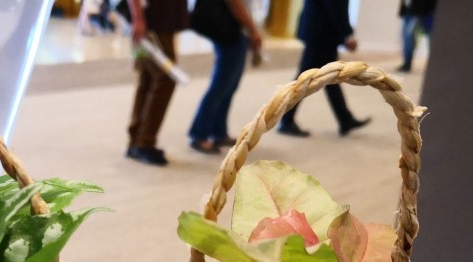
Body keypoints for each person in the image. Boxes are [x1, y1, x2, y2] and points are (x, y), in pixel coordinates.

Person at [277, 0, 370, 138]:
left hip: (321, 27)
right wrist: (347, 35)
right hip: (321, 30)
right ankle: (286, 120)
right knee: (305, 77)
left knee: (331, 76)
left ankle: (345, 119)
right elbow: (335, 4)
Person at [187, 0, 264, 154]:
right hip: (231, 30)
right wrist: (253, 30)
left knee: (229, 86)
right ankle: (199, 134)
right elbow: (235, 3)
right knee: (221, 86)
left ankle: (219, 132)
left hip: (235, 30)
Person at [125, 0, 189, 166]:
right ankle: (144, 142)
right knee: (164, 79)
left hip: (156, 22)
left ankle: (137, 140)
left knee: (147, 79)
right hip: (154, 23)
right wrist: (138, 17)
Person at [397, 0, 436, 73]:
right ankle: (406, 64)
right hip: (407, 10)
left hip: (420, 10)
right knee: (406, 37)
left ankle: (434, 64)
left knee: (409, 35)